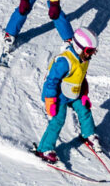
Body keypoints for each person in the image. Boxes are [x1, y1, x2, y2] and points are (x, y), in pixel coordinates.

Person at [35, 27, 99, 160]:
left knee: (84, 110)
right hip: (58, 95)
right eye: (89, 51)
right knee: (58, 120)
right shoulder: (65, 61)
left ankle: (88, 134)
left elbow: (81, 77)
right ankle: (44, 149)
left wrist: (84, 94)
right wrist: (50, 101)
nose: (91, 54)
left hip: (74, 93)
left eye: (93, 51)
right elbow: (51, 81)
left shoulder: (84, 59)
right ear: (78, 47)